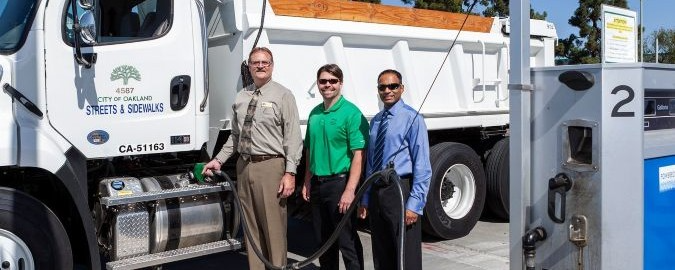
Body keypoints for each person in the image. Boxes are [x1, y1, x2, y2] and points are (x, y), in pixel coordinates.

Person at [202, 47, 302, 270]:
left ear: (272, 66)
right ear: (249, 67)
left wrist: (290, 172)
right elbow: (236, 137)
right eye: (255, 62)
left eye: (265, 62)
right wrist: (218, 160)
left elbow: (293, 137)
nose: (260, 66)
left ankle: (277, 267)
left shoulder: (283, 95)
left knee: (273, 227)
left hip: (271, 166)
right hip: (244, 166)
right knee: (251, 227)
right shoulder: (241, 97)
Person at [357, 69, 432, 270]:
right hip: (377, 192)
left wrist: (414, 204)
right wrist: (365, 198)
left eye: (393, 86)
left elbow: (422, 165)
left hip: (400, 190)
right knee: (382, 251)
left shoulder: (413, 118)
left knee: (406, 254)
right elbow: (371, 163)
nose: (388, 91)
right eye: (383, 87)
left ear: (402, 88)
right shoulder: (376, 121)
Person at [301, 64, 368, 270]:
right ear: (318, 84)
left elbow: (359, 155)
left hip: (340, 183)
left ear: (341, 83)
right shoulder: (314, 114)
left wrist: (350, 190)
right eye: (323, 81)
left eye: (333, 81)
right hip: (318, 184)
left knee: (346, 240)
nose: (327, 85)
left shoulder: (352, 113)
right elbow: (310, 151)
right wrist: (306, 181)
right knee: (323, 241)